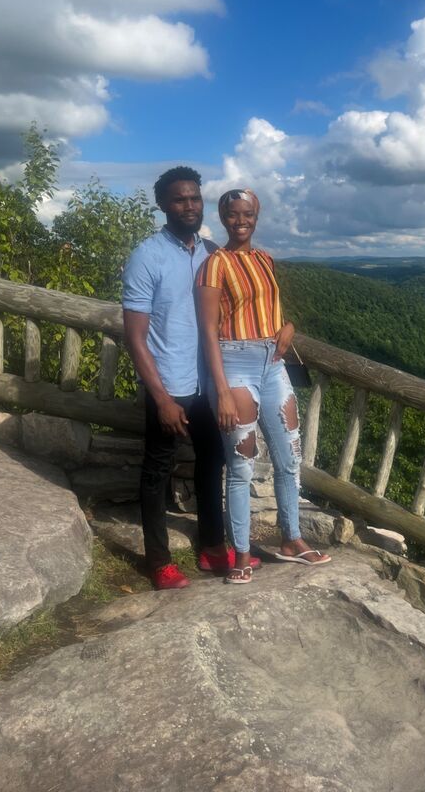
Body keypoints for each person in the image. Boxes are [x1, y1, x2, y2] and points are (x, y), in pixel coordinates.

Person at [122, 167, 257, 589]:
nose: (190, 206)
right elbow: (135, 337)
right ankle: (158, 561)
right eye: (180, 200)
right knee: (157, 470)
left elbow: (245, 307)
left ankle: (212, 545)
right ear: (163, 204)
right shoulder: (147, 256)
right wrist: (161, 398)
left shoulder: (212, 252)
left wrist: (285, 329)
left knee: (213, 460)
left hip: (209, 383)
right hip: (171, 384)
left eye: (195, 198)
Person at [196, 188, 331, 583]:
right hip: (233, 364)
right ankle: (240, 554)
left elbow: (270, 308)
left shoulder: (264, 259)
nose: (241, 221)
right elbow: (207, 332)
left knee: (289, 458)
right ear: (222, 217)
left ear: (257, 215)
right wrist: (220, 389)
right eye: (234, 214)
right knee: (240, 465)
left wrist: (288, 326)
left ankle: (292, 539)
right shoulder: (214, 265)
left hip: (272, 363)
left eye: (248, 214)